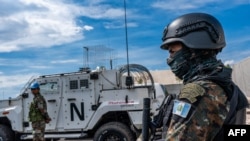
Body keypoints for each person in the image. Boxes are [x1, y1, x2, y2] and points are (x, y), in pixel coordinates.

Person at [156, 12, 248, 141]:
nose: (169, 59)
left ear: (193, 50)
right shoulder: (227, 86)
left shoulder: (198, 92)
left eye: (172, 51)